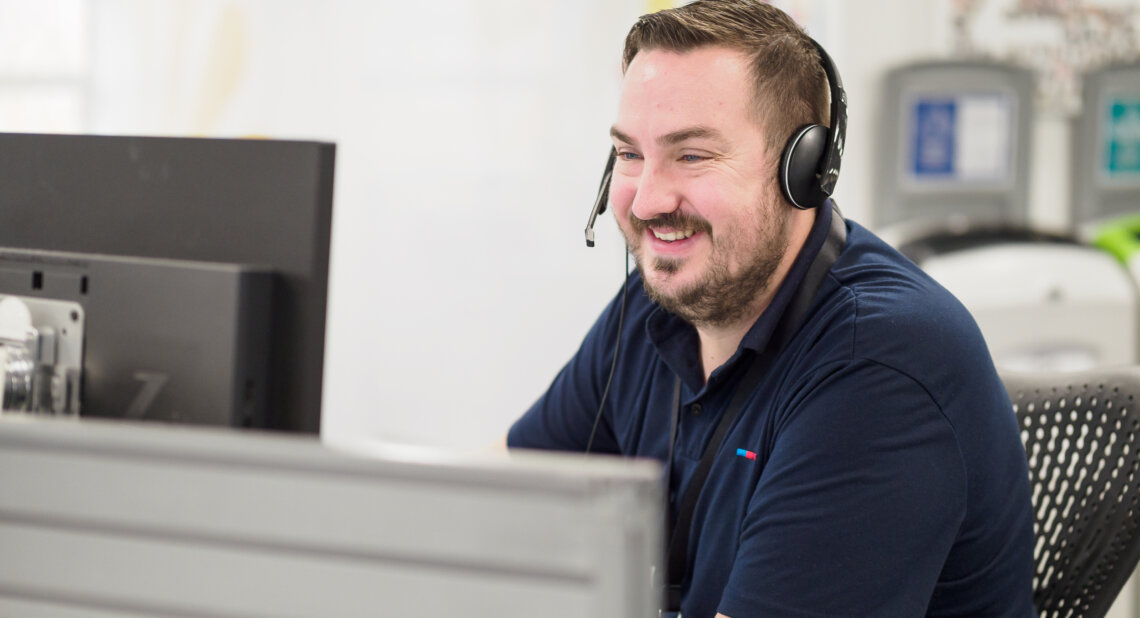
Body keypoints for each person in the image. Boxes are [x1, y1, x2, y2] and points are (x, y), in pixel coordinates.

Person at [507, 1, 1036, 616]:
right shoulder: (658, 309)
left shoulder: (879, 363)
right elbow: (496, 496)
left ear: (802, 171)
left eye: (693, 155)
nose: (647, 199)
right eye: (629, 155)